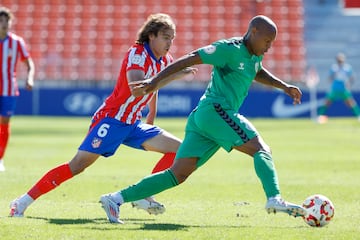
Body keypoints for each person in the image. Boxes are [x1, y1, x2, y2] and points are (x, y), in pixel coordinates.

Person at [99, 15, 307, 224]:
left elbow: (256, 71)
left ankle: (115, 199)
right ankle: (274, 198)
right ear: (253, 32)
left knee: (177, 174)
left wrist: (284, 86)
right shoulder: (229, 49)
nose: (269, 47)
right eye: (267, 41)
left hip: (205, 119)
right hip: (216, 111)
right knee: (261, 149)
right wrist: (154, 81)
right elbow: (191, 57)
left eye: (272, 42)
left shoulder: (254, 55)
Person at [9, 13, 196, 218]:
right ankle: (21, 202)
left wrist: (151, 113)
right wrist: (174, 76)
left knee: (181, 150)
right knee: (77, 165)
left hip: (133, 123)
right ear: (152, 36)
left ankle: (144, 195)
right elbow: (137, 88)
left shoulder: (165, 59)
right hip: (112, 119)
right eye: (166, 37)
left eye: (172, 38)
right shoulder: (137, 53)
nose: (170, 43)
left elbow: (154, 87)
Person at [0, 7, 35, 172]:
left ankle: (0, 158)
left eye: (7, 21)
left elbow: (29, 64)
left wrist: (29, 78)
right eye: (1, 21)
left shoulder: (16, 42)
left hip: (8, 90)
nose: (4, 24)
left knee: (5, 124)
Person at [317, 52, 360, 123]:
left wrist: (349, 84)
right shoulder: (334, 68)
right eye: (339, 59)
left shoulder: (347, 68)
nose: (340, 61)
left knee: (351, 103)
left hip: (343, 88)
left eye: (341, 59)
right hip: (335, 88)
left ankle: (358, 115)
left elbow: (352, 77)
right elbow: (330, 78)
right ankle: (319, 116)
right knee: (327, 102)